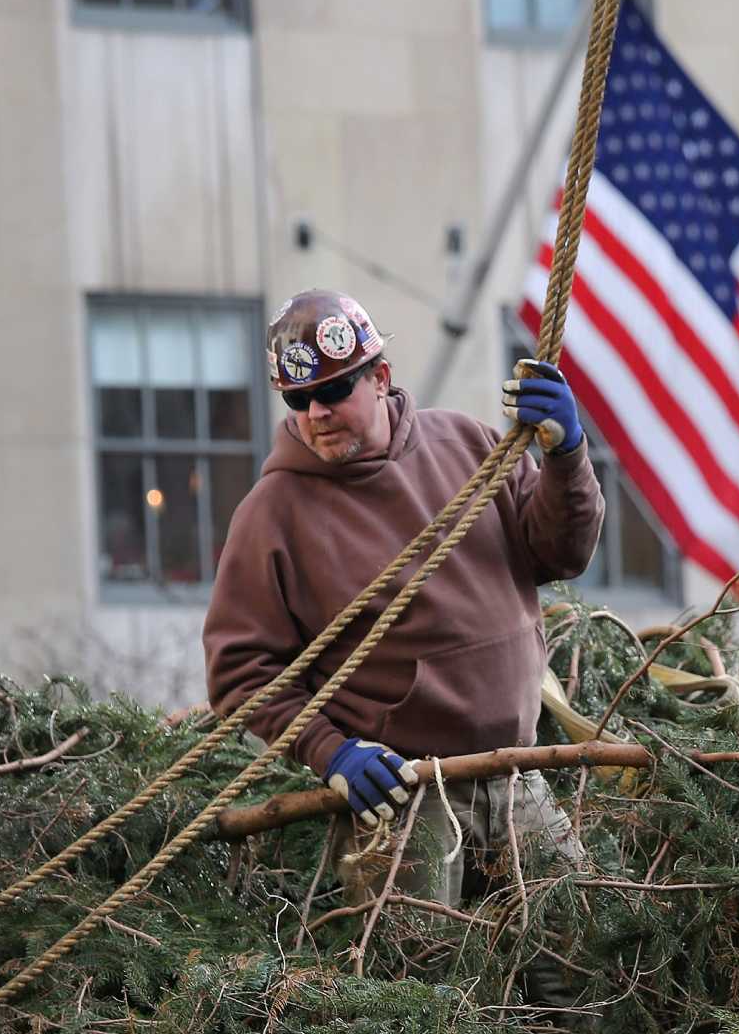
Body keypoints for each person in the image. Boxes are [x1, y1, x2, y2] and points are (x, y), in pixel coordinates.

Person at [203, 289, 605, 958]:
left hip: (517, 770)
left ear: (380, 378)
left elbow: (562, 552)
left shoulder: (471, 444)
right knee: (419, 1007)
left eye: (332, 389)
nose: (317, 412)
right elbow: (242, 673)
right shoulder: (271, 514)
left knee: (580, 966)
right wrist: (333, 753)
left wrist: (568, 455)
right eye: (297, 400)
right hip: (403, 798)